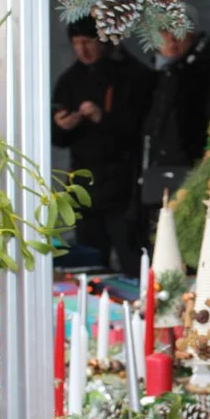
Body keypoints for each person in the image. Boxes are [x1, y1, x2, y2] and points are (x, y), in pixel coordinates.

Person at [52, 17, 151, 275]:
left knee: (133, 257)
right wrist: (63, 127)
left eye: (88, 42)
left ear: (103, 41)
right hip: (85, 184)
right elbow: (56, 139)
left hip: (124, 185)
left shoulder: (132, 75)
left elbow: (144, 128)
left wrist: (103, 119)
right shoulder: (69, 80)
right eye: (76, 44)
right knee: (90, 259)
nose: (83, 50)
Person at [140, 5, 210, 239]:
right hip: (161, 179)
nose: (171, 39)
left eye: (178, 31)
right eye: (164, 31)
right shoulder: (162, 72)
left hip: (197, 180)